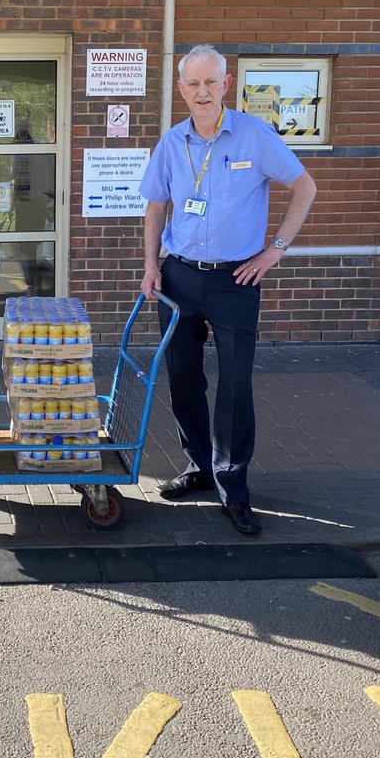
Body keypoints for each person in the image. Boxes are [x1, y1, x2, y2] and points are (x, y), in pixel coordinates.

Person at [139, 45, 317, 536]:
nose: (201, 92)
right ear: (181, 89)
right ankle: (200, 467)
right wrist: (151, 265)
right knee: (183, 379)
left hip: (236, 279)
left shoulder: (255, 136)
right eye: (192, 84)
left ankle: (233, 488)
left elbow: (305, 188)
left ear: (226, 84)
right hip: (178, 277)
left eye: (209, 83)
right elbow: (156, 207)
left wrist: (274, 249)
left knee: (235, 385)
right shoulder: (171, 144)